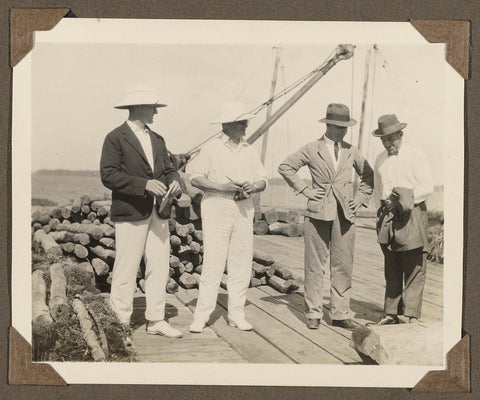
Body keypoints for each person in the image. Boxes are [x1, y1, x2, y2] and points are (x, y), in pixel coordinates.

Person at [278, 103, 373, 331]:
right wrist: (305, 190)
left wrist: (359, 199)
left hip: (345, 215)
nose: (342, 131)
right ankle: (313, 312)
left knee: (343, 265)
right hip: (317, 212)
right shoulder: (312, 148)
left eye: (345, 127)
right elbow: (285, 167)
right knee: (314, 265)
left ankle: (340, 314)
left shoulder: (352, 150)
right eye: (338, 127)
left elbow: (368, 175)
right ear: (328, 125)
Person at [100, 85, 183, 338]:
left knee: (159, 267)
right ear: (137, 109)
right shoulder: (115, 138)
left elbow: (168, 169)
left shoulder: (157, 139)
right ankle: (120, 323)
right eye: (152, 108)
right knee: (126, 268)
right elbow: (108, 175)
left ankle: (156, 320)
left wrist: (176, 181)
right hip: (131, 212)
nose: (156, 112)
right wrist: (144, 184)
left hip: (159, 213)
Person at [188, 102, 267, 333]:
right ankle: (201, 316)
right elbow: (195, 178)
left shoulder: (249, 149)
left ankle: (236, 314)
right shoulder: (211, 148)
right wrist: (223, 187)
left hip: (243, 210)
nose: (246, 125)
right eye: (242, 122)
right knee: (213, 262)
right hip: (217, 208)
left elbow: (263, 178)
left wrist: (253, 186)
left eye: (245, 121)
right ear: (228, 125)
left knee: (241, 264)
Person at [371, 114, 433, 325]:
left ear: (401, 134)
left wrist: (403, 200)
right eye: (385, 140)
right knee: (392, 263)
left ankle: (412, 315)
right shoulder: (379, 159)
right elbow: (378, 190)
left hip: (412, 212)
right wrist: (382, 210)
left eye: (392, 138)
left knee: (415, 264)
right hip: (388, 214)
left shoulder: (416, 155)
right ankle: (391, 313)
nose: (389, 143)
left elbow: (427, 186)